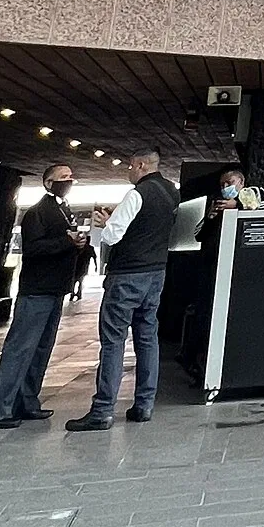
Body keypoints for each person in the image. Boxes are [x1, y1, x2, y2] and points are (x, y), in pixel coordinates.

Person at [67, 148, 179, 432]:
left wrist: (107, 224)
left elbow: (113, 235)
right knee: (147, 337)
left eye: (130, 166)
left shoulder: (137, 194)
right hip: (156, 273)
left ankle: (103, 410)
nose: (129, 171)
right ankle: (144, 405)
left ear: (141, 165)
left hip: (128, 275)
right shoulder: (171, 192)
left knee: (113, 340)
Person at [0, 164, 78, 428]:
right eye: (63, 178)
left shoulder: (63, 210)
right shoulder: (37, 213)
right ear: (48, 183)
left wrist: (75, 244)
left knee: (41, 349)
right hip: (37, 291)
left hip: (55, 289)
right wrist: (67, 242)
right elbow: (34, 249)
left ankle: (26, 401)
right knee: (20, 349)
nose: (69, 181)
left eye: (71, 177)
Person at [178, 166, 244, 385]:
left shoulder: (250, 198)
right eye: (223, 184)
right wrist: (210, 217)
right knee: (203, 316)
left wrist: (238, 206)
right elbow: (198, 235)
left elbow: (263, 206)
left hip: (233, 270)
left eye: (230, 183)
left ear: (241, 183)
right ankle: (197, 364)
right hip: (208, 267)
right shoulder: (214, 203)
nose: (226, 188)